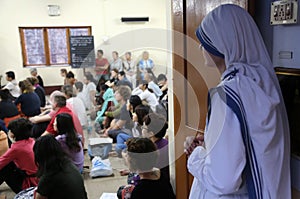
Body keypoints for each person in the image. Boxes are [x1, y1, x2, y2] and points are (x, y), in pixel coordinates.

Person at [186, 4, 291, 199]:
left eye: (206, 41)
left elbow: (223, 180)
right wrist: (212, 144)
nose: (201, 47)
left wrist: (197, 156)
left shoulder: (226, 94)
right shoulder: (261, 82)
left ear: (223, 42)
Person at [0, 118, 38, 193]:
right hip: (37, 177)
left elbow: (1, 162)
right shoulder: (32, 141)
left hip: (28, 182)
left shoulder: (16, 148)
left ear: (13, 133)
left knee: (6, 167)